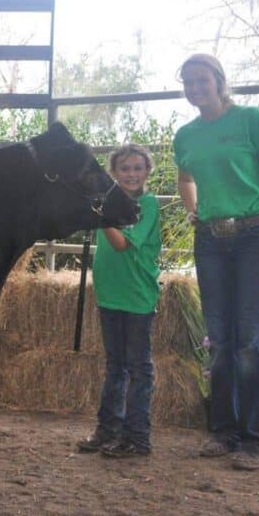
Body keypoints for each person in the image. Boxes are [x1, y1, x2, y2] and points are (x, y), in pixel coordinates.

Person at [174, 53, 259, 471]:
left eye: (201, 80)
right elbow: (185, 177)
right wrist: (195, 212)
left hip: (256, 236)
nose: (194, 88)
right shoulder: (185, 135)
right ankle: (224, 432)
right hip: (210, 239)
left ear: (219, 81)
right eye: (187, 82)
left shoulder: (251, 121)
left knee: (250, 339)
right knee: (220, 341)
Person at [76, 143, 162, 458]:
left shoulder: (147, 205)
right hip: (110, 293)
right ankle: (108, 430)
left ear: (147, 171)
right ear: (113, 173)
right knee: (115, 366)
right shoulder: (108, 205)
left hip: (137, 295)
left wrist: (102, 216)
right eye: (125, 168)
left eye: (138, 168)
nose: (131, 174)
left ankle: (137, 437)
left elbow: (124, 244)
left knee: (139, 367)